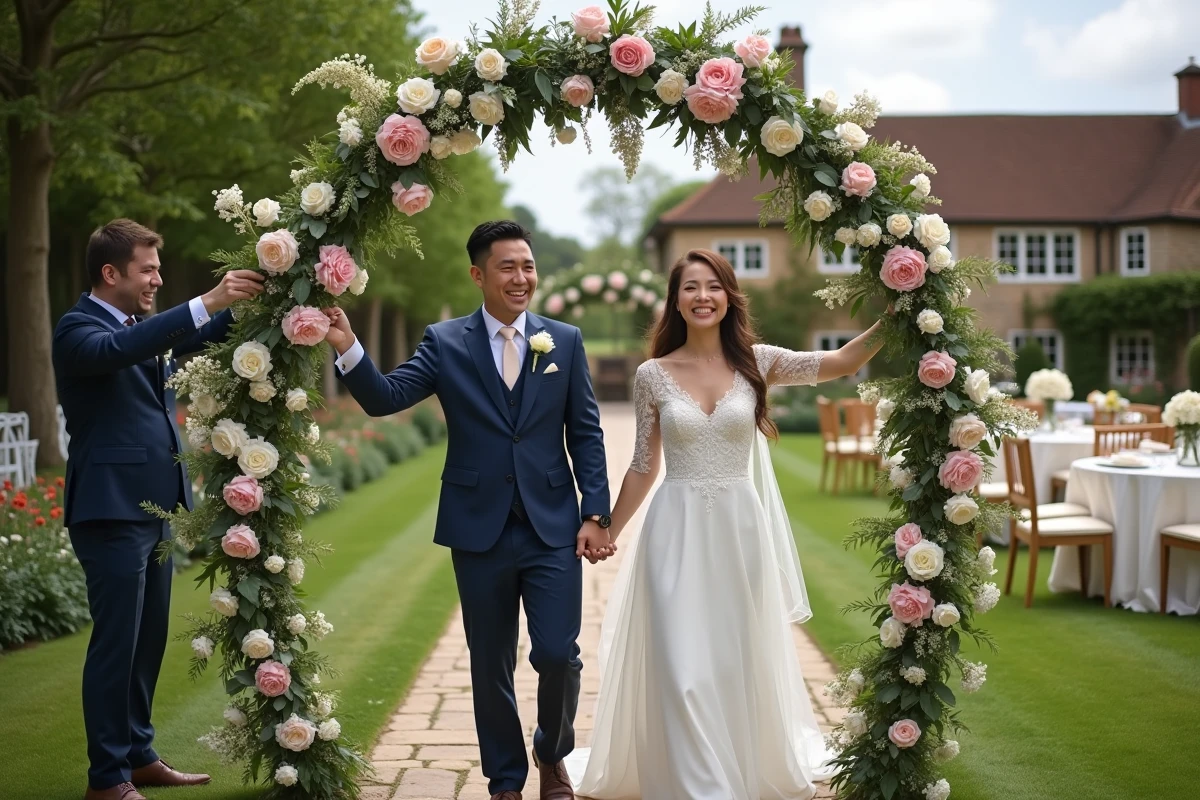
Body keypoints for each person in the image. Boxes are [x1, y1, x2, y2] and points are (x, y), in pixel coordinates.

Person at [565, 248, 884, 799]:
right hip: (675, 531)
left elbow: (844, 363)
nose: (702, 296)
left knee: (733, 658)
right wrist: (607, 530)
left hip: (740, 531)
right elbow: (644, 465)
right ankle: (698, 787)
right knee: (681, 663)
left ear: (729, 295)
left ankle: (735, 768)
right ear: (676, 301)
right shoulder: (652, 376)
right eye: (690, 287)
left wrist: (903, 312)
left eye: (713, 286)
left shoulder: (758, 362)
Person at [322, 220, 611, 800]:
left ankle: (552, 755)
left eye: (528, 266)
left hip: (551, 522)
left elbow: (586, 432)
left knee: (558, 653)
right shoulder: (444, 341)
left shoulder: (565, 340)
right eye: (508, 267)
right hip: (477, 525)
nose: (521, 277)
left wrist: (594, 512)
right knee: (490, 662)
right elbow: (384, 399)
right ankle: (504, 779)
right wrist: (346, 345)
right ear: (479, 275)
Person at [52, 219, 265, 800]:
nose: (157, 278)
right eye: (147, 269)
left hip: (154, 508)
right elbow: (123, 350)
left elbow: (190, 334)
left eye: (157, 268)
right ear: (110, 272)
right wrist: (205, 300)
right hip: (108, 509)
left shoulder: (139, 327)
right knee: (116, 644)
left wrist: (255, 291)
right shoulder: (79, 329)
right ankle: (107, 779)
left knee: (147, 641)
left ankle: (140, 756)